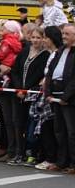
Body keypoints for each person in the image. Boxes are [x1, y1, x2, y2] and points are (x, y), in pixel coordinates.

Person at [8, 24, 48, 166]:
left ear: (43, 39)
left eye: (38, 37)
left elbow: (40, 74)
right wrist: (19, 88)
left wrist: (27, 89)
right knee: (17, 122)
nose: (35, 40)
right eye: (33, 37)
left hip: (33, 94)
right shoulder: (24, 51)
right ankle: (19, 153)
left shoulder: (45, 55)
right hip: (19, 93)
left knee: (32, 125)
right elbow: (15, 70)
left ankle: (32, 153)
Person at [43, 23, 75, 173]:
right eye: (63, 34)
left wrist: (66, 96)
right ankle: (61, 161)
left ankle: (73, 163)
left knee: (71, 132)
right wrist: (47, 92)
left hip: (69, 98)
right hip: (54, 95)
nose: (63, 37)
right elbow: (50, 72)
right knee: (59, 131)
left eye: (67, 34)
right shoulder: (60, 51)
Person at [34, 26, 62, 170]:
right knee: (46, 126)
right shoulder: (50, 53)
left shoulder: (57, 53)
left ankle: (52, 158)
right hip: (46, 93)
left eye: (44, 37)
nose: (43, 40)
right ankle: (49, 157)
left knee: (50, 127)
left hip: (52, 94)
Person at [0, 20, 23, 87]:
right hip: (13, 60)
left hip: (7, 61)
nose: (3, 29)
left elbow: (3, 52)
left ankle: (5, 78)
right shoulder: (17, 40)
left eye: (4, 28)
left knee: (0, 70)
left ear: (9, 30)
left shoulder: (6, 41)